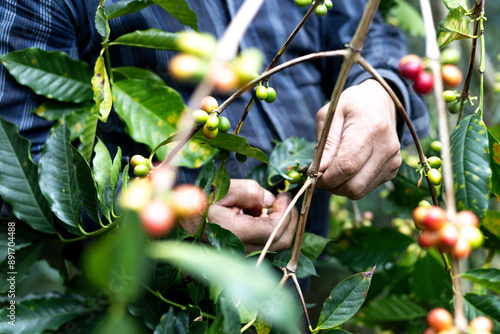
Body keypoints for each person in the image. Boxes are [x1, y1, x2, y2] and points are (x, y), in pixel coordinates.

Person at [0, 0, 428, 250]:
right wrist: (155, 222)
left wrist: (379, 86)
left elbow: (361, 25)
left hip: (296, 283)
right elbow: (18, 163)